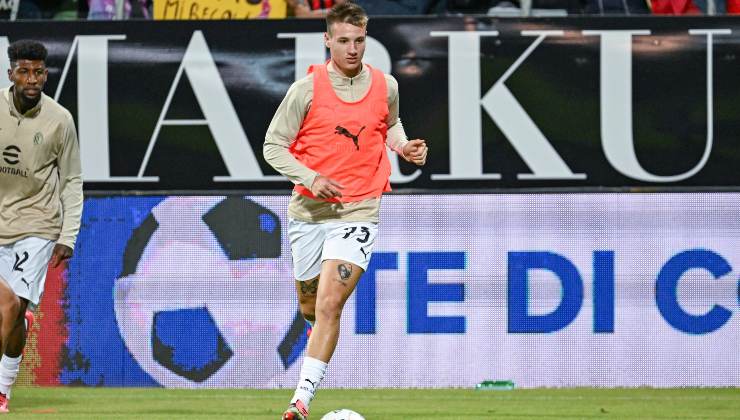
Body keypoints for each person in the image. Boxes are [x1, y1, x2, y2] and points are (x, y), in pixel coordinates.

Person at [263, 2, 427, 419]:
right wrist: (310, 177)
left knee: (330, 304)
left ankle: (299, 402)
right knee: (311, 309)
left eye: (359, 40)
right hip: (309, 213)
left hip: (359, 209)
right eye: (344, 41)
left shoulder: (385, 85)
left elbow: (389, 124)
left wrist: (403, 147)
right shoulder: (305, 90)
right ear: (327, 40)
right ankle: (316, 352)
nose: (352, 49)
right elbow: (272, 146)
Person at [0, 39, 83, 413]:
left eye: (38, 72)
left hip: (37, 225)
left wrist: (68, 235)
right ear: (11, 74)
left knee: (9, 308)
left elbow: (72, 180)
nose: (31, 79)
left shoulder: (60, 120)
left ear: (45, 75)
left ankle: (2, 390)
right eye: (24, 71)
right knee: (11, 314)